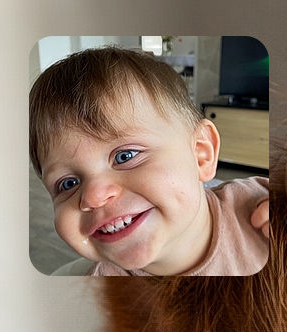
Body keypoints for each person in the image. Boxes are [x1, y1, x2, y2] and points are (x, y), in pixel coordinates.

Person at [29, 45, 269, 276]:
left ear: (200, 154)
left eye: (125, 156)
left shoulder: (261, 207)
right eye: (68, 184)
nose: (93, 197)